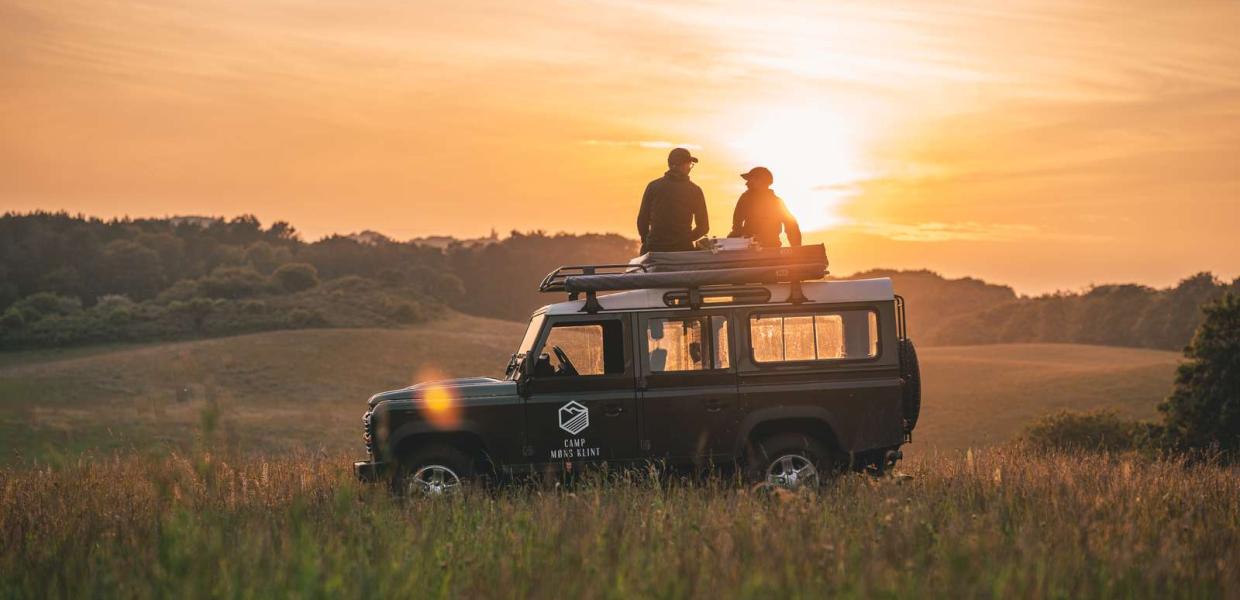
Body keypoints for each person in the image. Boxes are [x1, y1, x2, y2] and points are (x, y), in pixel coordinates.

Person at [636, 147, 709, 253]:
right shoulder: (695, 191)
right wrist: (684, 239)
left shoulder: (653, 186)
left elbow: (642, 220)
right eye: (688, 164)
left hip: (654, 248)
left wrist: (647, 240)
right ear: (680, 165)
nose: (689, 168)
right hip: (682, 249)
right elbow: (703, 227)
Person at [728, 166, 801, 248]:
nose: (747, 183)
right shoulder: (746, 199)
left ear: (760, 181)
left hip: (769, 249)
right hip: (751, 248)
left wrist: (797, 250)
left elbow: (791, 226)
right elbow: (737, 227)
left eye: (750, 180)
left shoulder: (776, 202)